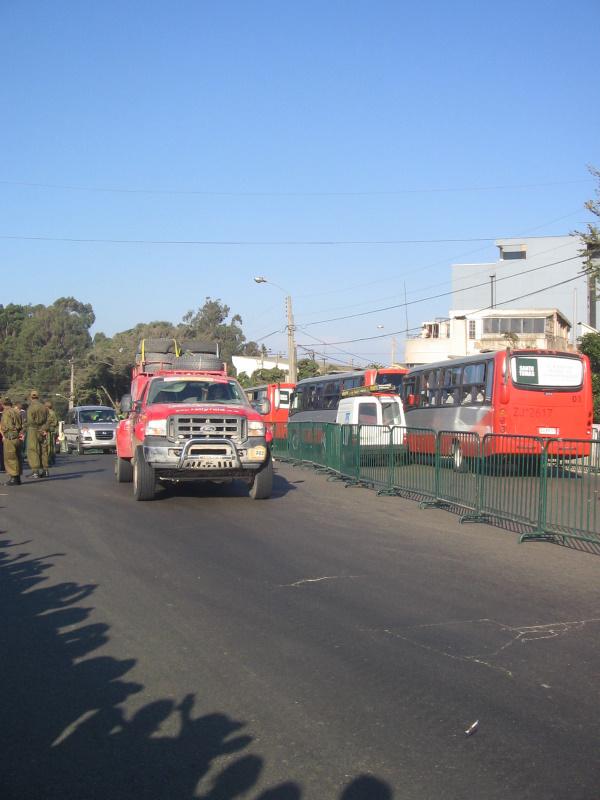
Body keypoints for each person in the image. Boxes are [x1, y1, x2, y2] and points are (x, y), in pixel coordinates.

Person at [0, 397, 23, 486]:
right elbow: (21, 425)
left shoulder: (6, 413)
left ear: (3, 404)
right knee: (17, 458)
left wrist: (4, 433)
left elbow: (7, 426)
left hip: (10, 438)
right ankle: (17, 478)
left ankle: (13, 478)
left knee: (10, 458)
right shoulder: (16, 412)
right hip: (17, 438)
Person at [27, 390, 50, 478]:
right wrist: (44, 429)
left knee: (33, 450)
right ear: (38, 397)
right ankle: (45, 470)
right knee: (43, 450)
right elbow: (48, 420)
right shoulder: (44, 407)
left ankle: (35, 471)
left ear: (30, 397)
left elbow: (30, 421)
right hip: (43, 430)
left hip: (33, 430)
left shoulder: (31, 407)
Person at [45, 401, 59, 466]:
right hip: (51, 430)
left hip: (50, 431)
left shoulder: (50, 413)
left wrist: (49, 425)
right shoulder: (52, 412)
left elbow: (55, 423)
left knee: (49, 445)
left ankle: (50, 459)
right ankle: (51, 459)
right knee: (51, 445)